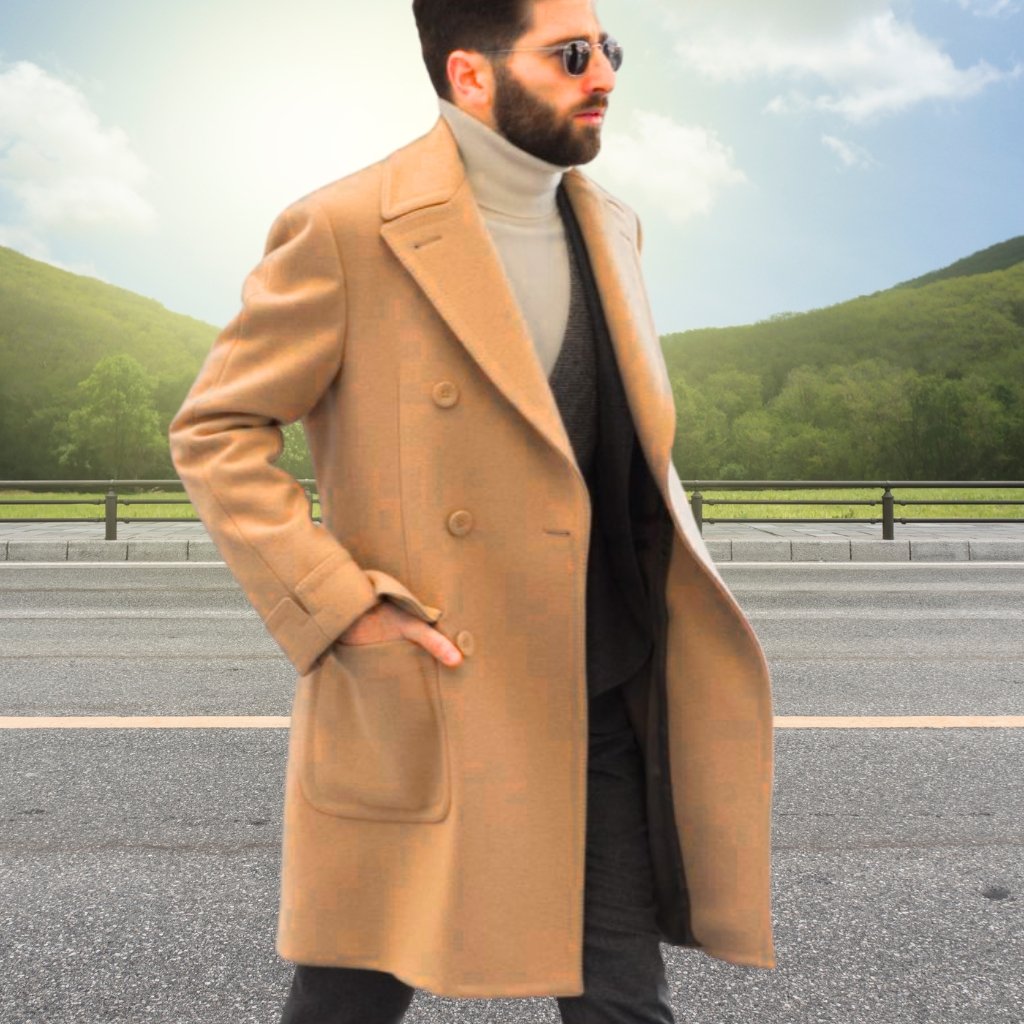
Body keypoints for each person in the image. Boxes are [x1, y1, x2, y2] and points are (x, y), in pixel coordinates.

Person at [168, 1, 776, 1021]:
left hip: (600, 686)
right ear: (471, 75)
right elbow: (217, 427)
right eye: (571, 54)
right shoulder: (347, 226)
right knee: (351, 994)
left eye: (609, 49)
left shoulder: (613, 224)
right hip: (433, 690)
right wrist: (340, 606)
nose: (604, 76)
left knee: (624, 1001)